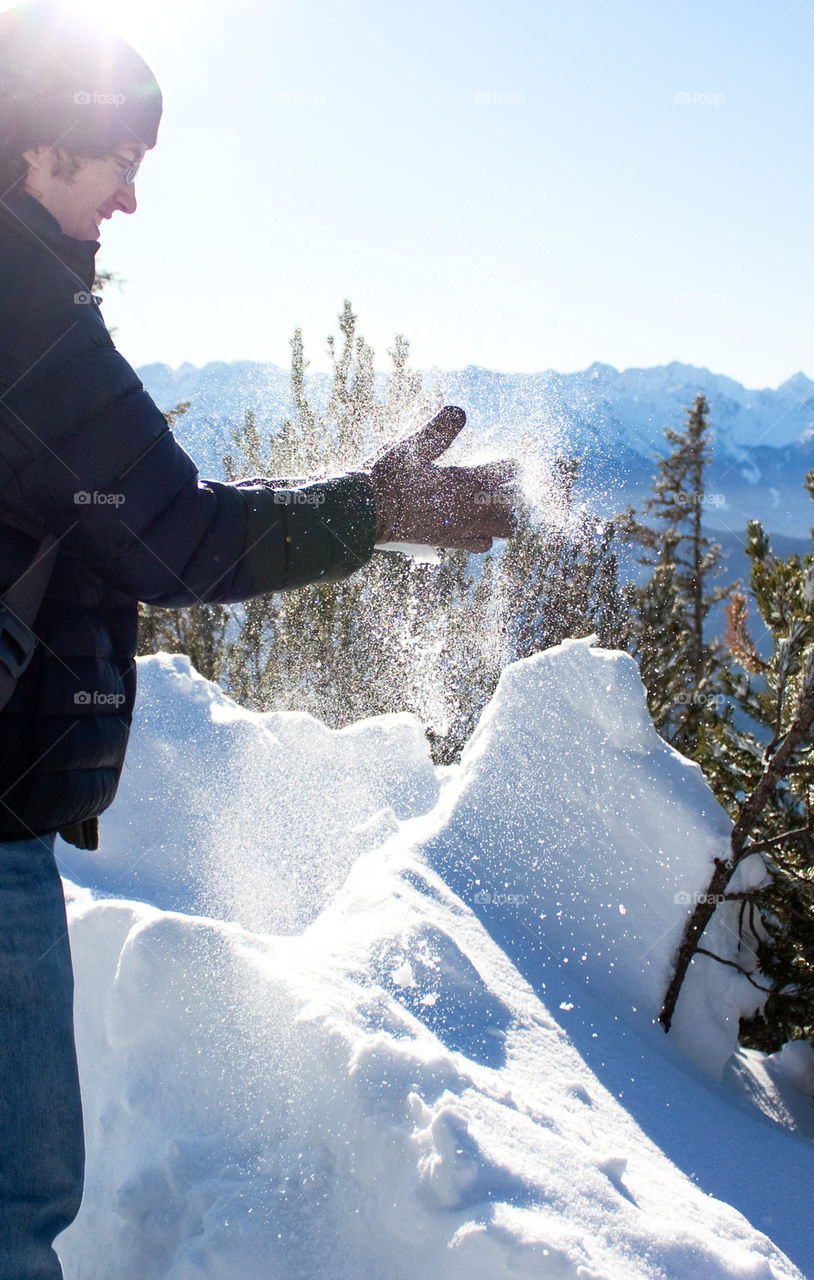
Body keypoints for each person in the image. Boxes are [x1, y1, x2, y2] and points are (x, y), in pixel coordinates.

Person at [0, 3, 516, 1275]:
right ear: (34, 143)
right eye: (115, 158)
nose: (128, 197)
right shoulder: (27, 318)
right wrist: (376, 507)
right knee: (14, 1197)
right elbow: (177, 539)